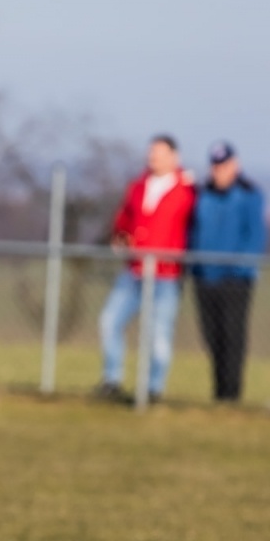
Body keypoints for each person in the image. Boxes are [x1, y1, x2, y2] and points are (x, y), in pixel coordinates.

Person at [93, 135, 195, 403]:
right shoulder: (138, 187)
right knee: (109, 322)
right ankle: (112, 381)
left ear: (174, 157)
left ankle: (152, 390)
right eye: (151, 153)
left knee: (159, 336)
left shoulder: (188, 190)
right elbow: (124, 217)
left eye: (160, 153)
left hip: (165, 275)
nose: (154, 158)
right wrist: (121, 234)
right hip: (134, 271)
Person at [189, 141, 267, 402]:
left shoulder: (248, 194)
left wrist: (238, 267)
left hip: (235, 279)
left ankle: (231, 396)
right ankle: (218, 392)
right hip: (204, 277)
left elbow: (254, 236)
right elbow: (194, 230)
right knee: (212, 337)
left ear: (235, 165)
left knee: (232, 337)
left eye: (223, 166)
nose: (219, 171)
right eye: (215, 166)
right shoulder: (202, 193)